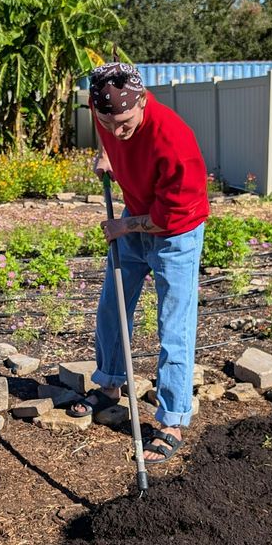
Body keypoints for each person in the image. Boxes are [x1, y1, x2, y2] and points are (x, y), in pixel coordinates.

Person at [68, 62, 210, 464]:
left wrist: (124, 225)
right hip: (133, 220)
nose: (118, 132)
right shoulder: (108, 114)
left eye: (126, 123)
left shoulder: (174, 140)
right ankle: (110, 384)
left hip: (176, 232)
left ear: (143, 101)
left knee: (174, 324)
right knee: (112, 306)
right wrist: (105, 154)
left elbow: (169, 217)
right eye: (107, 124)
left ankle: (171, 419)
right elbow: (109, 134)